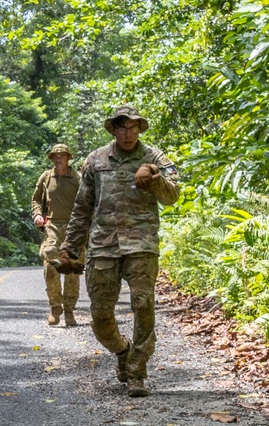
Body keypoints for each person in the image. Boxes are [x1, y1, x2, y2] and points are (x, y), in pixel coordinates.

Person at [57, 104, 180, 398]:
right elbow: (82, 207)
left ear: (140, 129)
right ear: (113, 129)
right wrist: (70, 247)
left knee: (143, 305)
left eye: (134, 127)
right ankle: (123, 350)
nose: (129, 133)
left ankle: (137, 372)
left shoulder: (154, 158)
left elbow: (173, 195)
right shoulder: (95, 160)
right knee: (100, 317)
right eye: (123, 127)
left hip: (141, 244)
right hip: (103, 245)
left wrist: (154, 177)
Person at [31, 143, 82, 327]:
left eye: (62, 156)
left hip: (74, 227)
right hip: (52, 225)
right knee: (50, 263)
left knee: (73, 269)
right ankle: (55, 307)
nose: (58, 159)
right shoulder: (46, 177)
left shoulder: (78, 178)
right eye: (55, 156)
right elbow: (35, 199)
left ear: (69, 158)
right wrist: (37, 214)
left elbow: (88, 201)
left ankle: (69, 310)